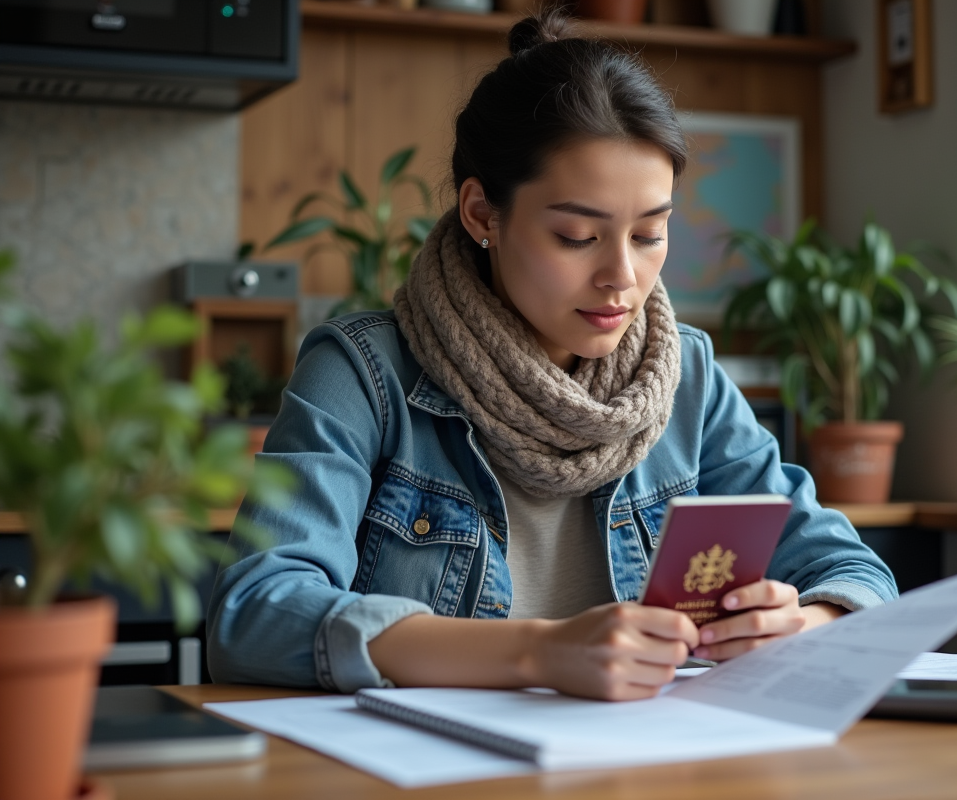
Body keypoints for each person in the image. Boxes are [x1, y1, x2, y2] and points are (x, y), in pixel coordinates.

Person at [208, 10, 898, 701]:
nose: (622, 277)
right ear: (483, 214)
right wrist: (538, 652)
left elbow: (854, 574)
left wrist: (800, 626)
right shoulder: (363, 373)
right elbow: (254, 612)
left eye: (650, 235)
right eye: (576, 236)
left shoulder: (686, 379)